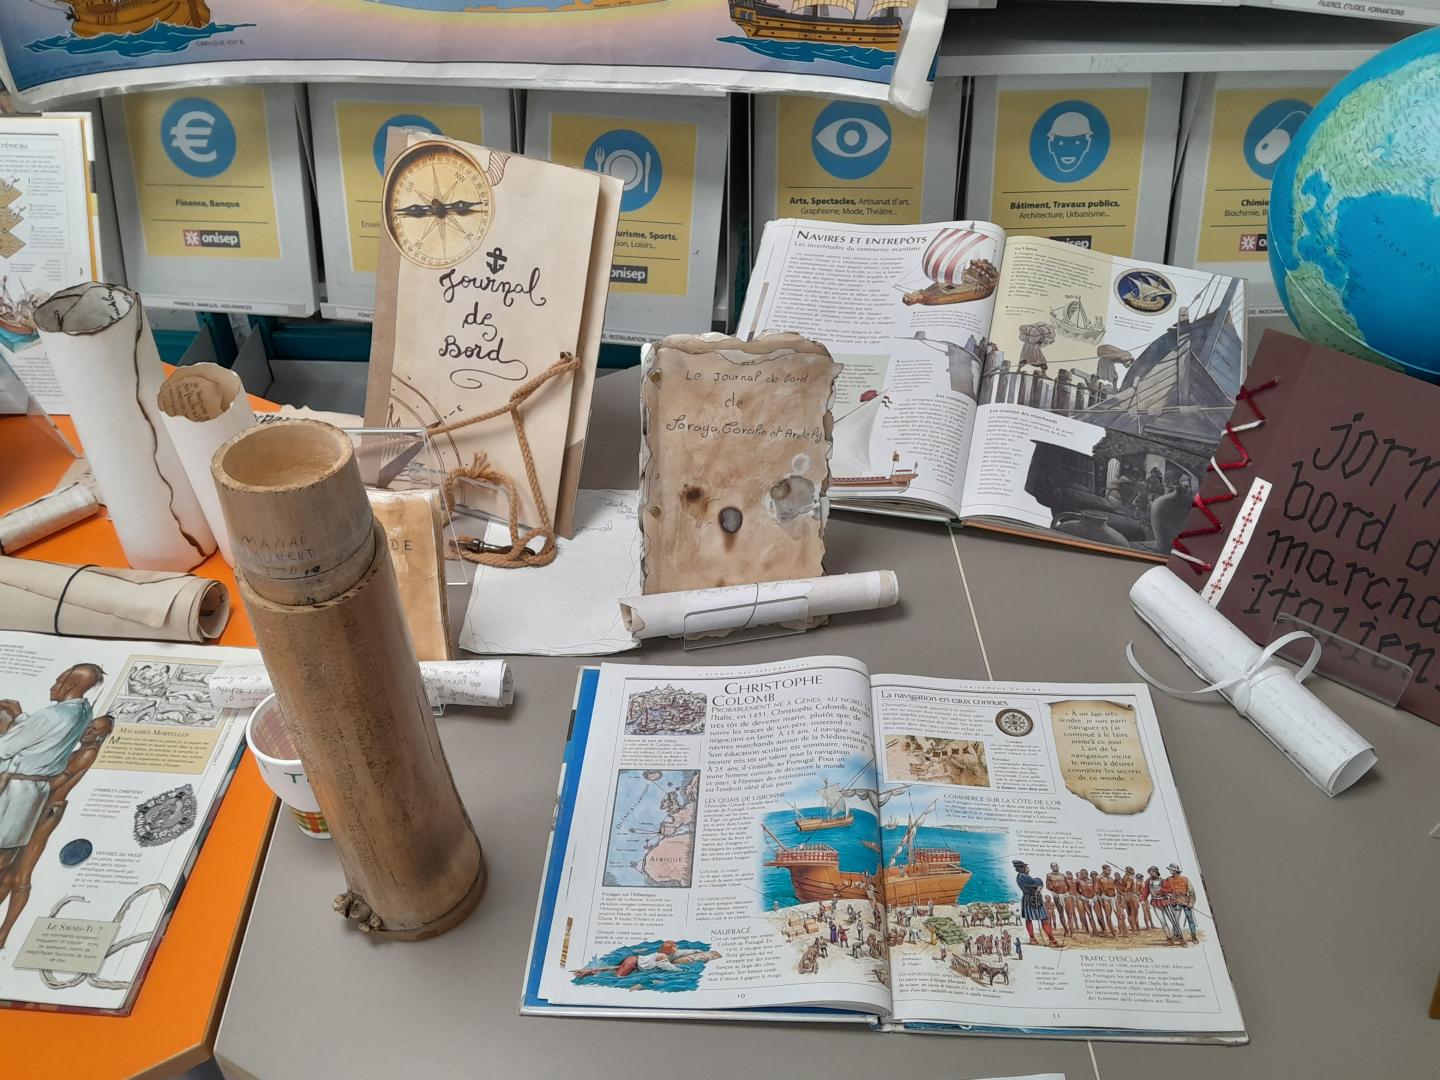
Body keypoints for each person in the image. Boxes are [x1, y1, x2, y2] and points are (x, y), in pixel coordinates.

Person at [0, 663, 105, 948]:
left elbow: (7, 747)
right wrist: (23, 718)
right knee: (8, 860)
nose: (52, 685)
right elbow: (41, 739)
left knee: (7, 863)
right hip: (31, 792)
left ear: (69, 685)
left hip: (17, 793)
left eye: (58, 680)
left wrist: (14, 721)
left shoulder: (53, 714)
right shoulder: (83, 712)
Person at [1012, 859, 1059, 947]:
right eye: (1026, 867)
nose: (1028, 868)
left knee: (1032, 919)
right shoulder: (1023, 876)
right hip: (1031, 900)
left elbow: (1034, 884)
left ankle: (1037, 939)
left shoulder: (1023, 876)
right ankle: (1049, 940)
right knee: (1041, 919)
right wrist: (1039, 881)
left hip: (1032, 899)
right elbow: (1034, 882)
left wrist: (1038, 885)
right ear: (1022, 868)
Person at [1162, 863, 1198, 944]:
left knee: (1190, 920)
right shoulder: (1168, 879)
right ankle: (1177, 935)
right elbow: (1164, 889)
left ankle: (1194, 937)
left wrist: (1191, 902)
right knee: (1175, 920)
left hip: (1186, 902)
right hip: (1175, 903)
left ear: (1175, 871)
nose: (1169, 871)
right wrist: (1166, 893)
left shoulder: (1185, 879)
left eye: (1171, 870)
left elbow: (1191, 892)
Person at [1144, 866, 1172, 942]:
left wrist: (1161, 890)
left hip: (1164, 901)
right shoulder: (1148, 881)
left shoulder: (1163, 880)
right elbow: (1145, 892)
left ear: (1156, 872)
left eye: (1152, 872)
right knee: (1162, 921)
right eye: (1150, 872)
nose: (1150, 874)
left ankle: (1179, 936)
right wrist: (1143, 899)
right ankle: (1169, 937)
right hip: (1155, 902)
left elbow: (1170, 890)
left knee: (1172, 920)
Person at [1045, 861, 1071, 934]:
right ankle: (1066, 929)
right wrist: (1054, 890)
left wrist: (1066, 892)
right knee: (1061, 913)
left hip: (1065, 895)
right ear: (1051, 867)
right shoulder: (1049, 875)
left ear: (1058, 866)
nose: (1056, 867)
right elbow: (1047, 886)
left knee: (1069, 913)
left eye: (1056, 866)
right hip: (1056, 895)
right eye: (1054, 866)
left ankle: (1070, 928)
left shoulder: (1062, 875)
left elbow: (1068, 885)